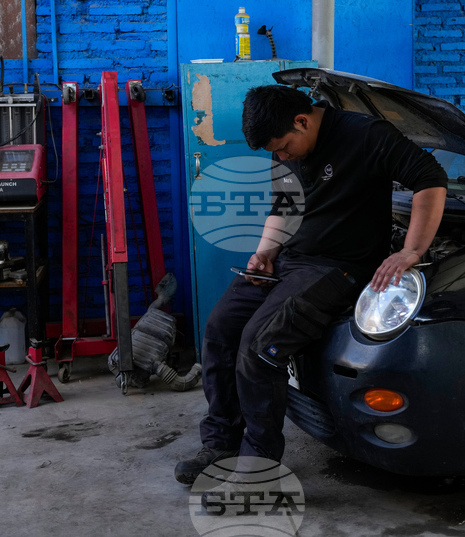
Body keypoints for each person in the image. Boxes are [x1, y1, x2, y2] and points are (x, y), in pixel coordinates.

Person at [175, 84, 448, 484]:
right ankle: (221, 442)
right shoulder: (286, 145)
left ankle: (259, 465)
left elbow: (430, 178)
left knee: (259, 345)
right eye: (277, 152)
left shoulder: (366, 135)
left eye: (285, 147)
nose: (282, 156)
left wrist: (412, 250)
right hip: (288, 260)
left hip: (337, 267)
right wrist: (265, 252)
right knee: (219, 330)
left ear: (302, 121)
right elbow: (284, 206)